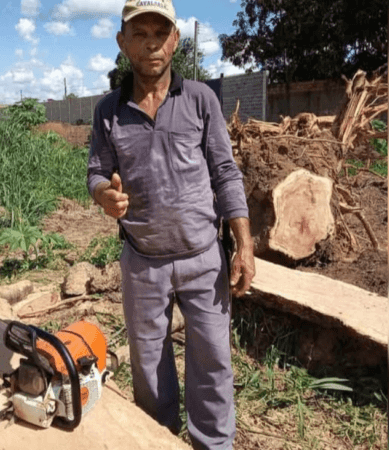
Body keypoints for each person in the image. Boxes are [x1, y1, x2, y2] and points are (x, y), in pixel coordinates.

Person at [87, 0, 255, 448]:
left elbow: (225, 173)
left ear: (175, 40)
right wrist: (104, 194)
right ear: (123, 43)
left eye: (160, 33)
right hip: (143, 263)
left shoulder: (201, 99)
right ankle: (160, 440)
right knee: (148, 368)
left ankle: (213, 444)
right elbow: (96, 172)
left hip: (204, 260)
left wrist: (244, 245)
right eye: (139, 34)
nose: (151, 44)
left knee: (213, 363)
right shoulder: (108, 110)